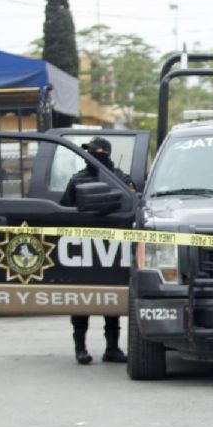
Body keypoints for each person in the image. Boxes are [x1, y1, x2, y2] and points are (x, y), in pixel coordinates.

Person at [60, 136, 134, 366]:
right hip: (83, 245)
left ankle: (112, 348)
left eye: (97, 150)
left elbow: (133, 204)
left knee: (111, 297)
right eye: (90, 151)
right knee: (82, 298)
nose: (93, 154)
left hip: (113, 245)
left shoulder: (121, 179)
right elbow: (64, 210)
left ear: (107, 152)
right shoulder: (77, 179)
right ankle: (80, 349)